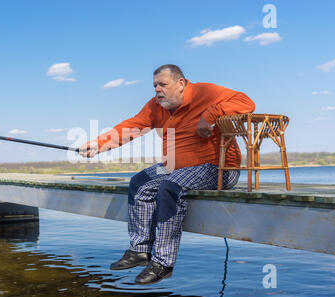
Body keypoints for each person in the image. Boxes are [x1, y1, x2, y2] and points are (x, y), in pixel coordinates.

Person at [79, 64, 255, 285]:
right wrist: (98, 144)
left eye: (163, 84)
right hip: (176, 166)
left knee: (170, 185)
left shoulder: (206, 93)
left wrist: (209, 115)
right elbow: (131, 127)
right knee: (139, 183)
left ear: (180, 84)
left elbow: (246, 103)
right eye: (155, 86)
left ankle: (163, 263)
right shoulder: (156, 107)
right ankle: (140, 250)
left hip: (219, 169)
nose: (157, 90)